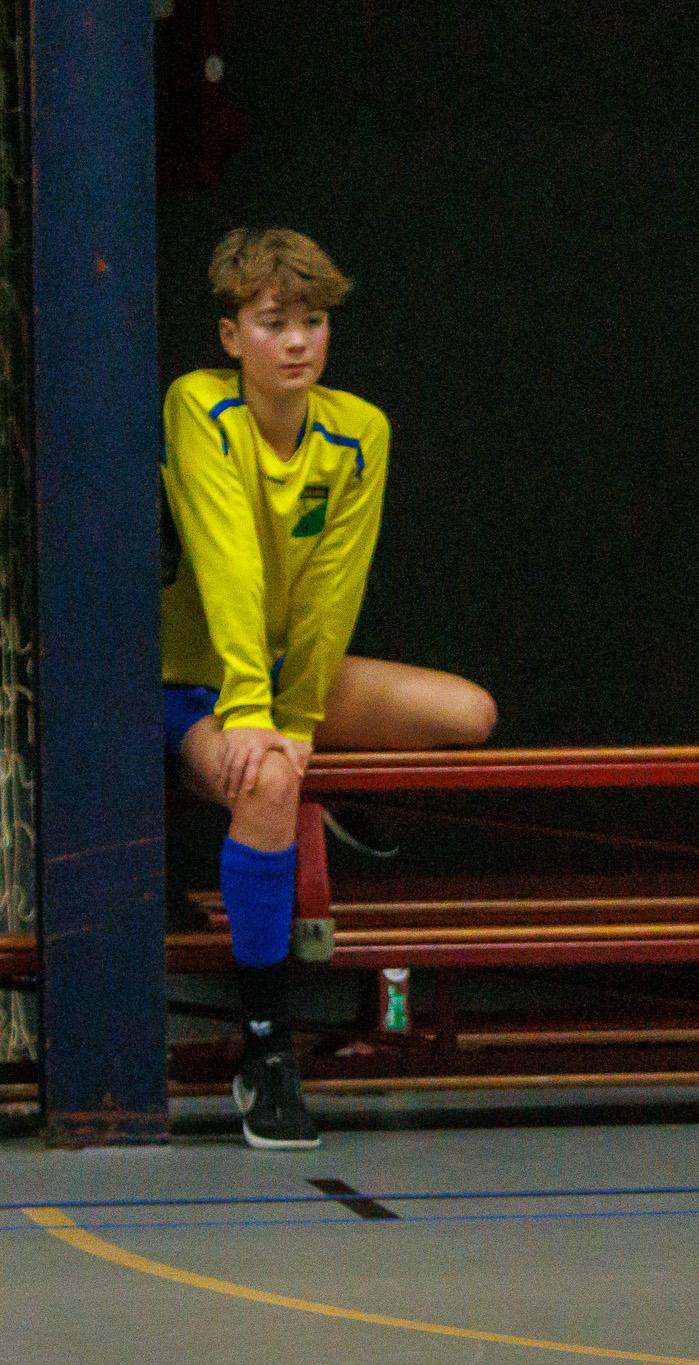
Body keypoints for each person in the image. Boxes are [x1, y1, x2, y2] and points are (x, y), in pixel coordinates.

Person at [161, 228, 497, 1147]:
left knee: (469, 712)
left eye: (312, 321)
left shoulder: (359, 430)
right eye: (274, 322)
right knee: (269, 781)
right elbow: (227, 561)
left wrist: (300, 712)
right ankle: (267, 1051)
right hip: (194, 682)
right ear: (232, 336)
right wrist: (252, 712)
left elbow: (333, 587)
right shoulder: (200, 407)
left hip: (279, 680)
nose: (298, 341)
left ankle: (319, 786)